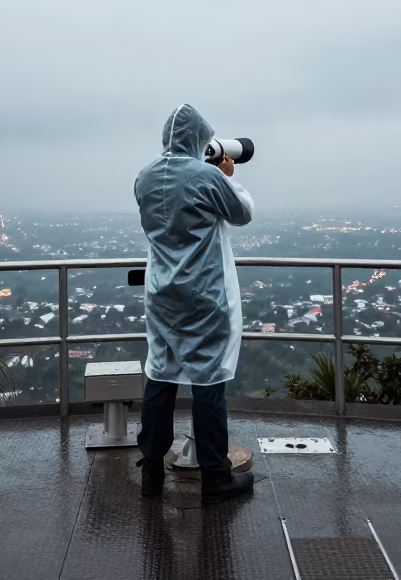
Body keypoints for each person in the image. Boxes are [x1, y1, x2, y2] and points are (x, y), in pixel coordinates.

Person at [134, 104, 255, 505]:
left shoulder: (145, 177)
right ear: (201, 139)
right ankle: (216, 477)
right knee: (208, 382)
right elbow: (242, 214)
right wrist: (225, 176)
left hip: (162, 294)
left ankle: (151, 468)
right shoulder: (207, 175)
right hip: (204, 294)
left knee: (161, 374)